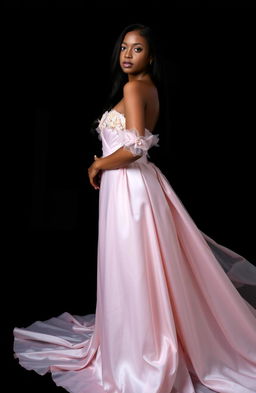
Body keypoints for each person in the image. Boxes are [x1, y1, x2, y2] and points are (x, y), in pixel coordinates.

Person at [13, 24, 256, 393]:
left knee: (134, 266)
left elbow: (137, 148)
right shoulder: (148, 89)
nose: (128, 54)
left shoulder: (133, 88)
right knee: (140, 267)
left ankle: (141, 351)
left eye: (137, 48)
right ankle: (142, 338)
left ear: (151, 56)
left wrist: (97, 165)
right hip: (134, 188)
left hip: (130, 189)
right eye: (124, 47)